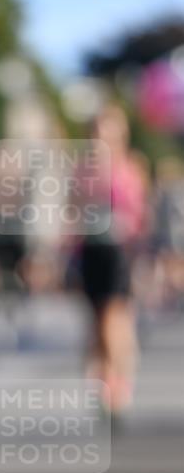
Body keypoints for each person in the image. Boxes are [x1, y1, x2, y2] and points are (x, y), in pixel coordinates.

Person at [78, 104, 148, 414]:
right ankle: (105, 375)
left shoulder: (130, 167)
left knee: (114, 317)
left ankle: (117, 380)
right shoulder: (81, 169)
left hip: (119, 251)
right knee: (97, 321)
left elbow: (140, 213)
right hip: (91, 251)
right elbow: (73, 212)